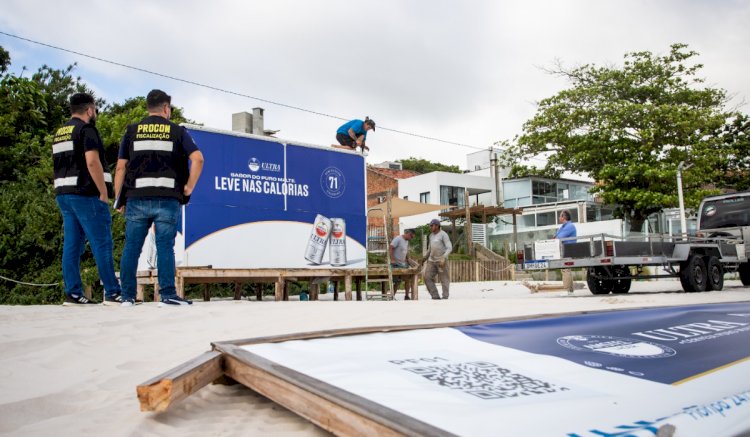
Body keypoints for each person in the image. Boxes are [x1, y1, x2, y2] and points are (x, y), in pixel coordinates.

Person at [114, 89, 204, 307]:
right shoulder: (177, 131)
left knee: (132, 247)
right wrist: (189, 187)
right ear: (166, 108)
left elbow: (120, 167)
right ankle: (167, 295)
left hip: (136, 198)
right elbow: (198, 159)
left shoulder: (132, 131)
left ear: (148, 107)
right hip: (167, 198)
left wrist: (119, 199)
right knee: (165, 247)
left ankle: (126, 297)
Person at [53, 92, 122, 305]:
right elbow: (92, 162)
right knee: (102, 242)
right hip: (86, 194)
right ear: (89, 110)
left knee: (72, 245)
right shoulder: (87, 130)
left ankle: (73, 292)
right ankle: (112, 292)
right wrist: (102, 191)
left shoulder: (60, 132)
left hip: (64, 194)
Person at [423, 219, 452, 300]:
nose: (431, 227)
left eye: (432, 225)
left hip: (441, 261)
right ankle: (435, 296)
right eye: (430, 226)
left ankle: (445, 296)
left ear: (437, 226)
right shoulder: (431, 235)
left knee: (444, 279)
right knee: (427, 277)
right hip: (431, 261)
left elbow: (449, 248)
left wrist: (443, 257)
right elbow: (429, 249)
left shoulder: (443, 235)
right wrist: (425, 258)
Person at [554, 210, 577, 293]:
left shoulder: (570, 226)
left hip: (568, 250)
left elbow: (558, 237)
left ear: (564, 217)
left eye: (560, 216)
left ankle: (567, 290)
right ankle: (570, 290)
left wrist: (556, 236)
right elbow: (555, 236)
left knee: (565, 270)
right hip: (564, 250)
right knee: (566, 270)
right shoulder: (563, 226)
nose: (559, 218)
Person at [390, 229, 416, 299]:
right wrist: (392, 259)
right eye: (411, 237)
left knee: (407, 279)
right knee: (397, 281)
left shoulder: (406, 241)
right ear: (408, 234)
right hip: (395, 263)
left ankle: (407, 296)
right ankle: (392, 296)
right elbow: (391, 247)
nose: (411, 239)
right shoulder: (398, 239)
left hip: (403, 264)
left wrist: (408, 259)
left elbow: (405, 251)